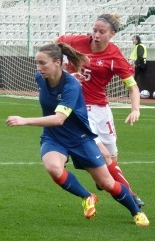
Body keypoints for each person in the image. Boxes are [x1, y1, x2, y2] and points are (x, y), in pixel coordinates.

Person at [6, 43, 149, 226]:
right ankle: (87, 196)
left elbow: (59, 119)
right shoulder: (41, 77)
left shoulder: (72, 86)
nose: (38, 68)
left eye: (43, 63)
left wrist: (24, 120)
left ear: (57, 62)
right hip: (54, 137)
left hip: (80, 139)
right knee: (53, 168)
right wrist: (68, 76)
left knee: (107, 183)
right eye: (37, 63)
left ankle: (136, 211)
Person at [56, 13, 145, 208]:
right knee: (103, 154)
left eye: (101, 31)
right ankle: (130, 194)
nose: (95, 34)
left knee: (112, 155)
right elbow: (54, 47)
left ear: (112, 34)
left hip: (101, 109)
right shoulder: (76, 41)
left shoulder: (114, 56)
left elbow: (132, 86)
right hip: (78, 108)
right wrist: (65, 73)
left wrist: (135, 108)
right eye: (94, 30)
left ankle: (103, 177)